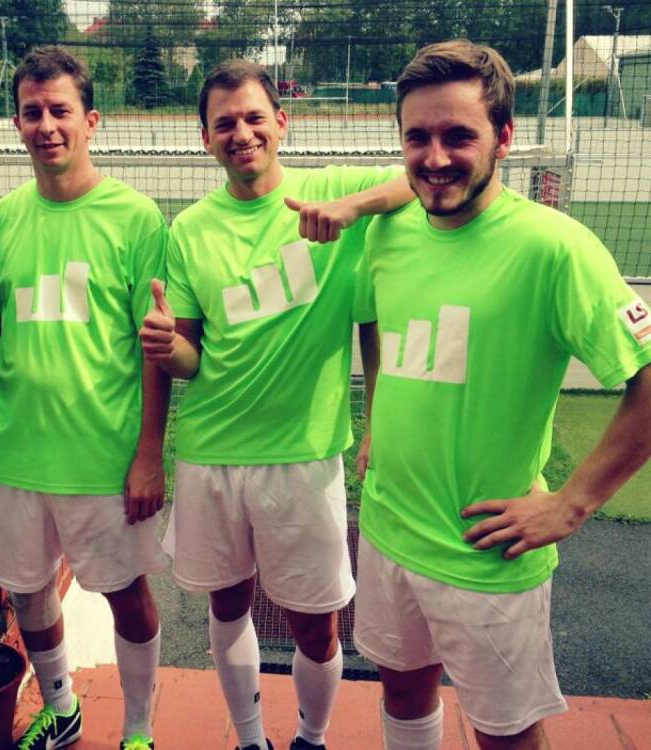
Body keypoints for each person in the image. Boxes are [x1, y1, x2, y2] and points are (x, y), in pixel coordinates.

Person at [351, 40, 651, 750]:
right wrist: (377, 423)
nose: (435, 157)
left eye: (459, 136)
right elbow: (382, 327)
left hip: (484, 554)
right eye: (417, 137)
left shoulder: (554, 248)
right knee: (403, 689)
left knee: (505, 734)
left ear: (504, 138)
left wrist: (571, 504)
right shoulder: (389, 235)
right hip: (386, 527)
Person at [139, 59, 414, 750]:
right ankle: (249, 739)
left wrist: (352, 209)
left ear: (282, 123)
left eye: (254, 118)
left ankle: (312, 738)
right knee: (227, 606)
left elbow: (419, 178)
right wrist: (168, 347)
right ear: (204, 138)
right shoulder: (189, 230)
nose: (241, 133)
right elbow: (193, 359)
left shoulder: (330, 191)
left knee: (316, 623)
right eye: (224, 123)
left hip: (304, 456)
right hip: (212, 453)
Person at [0, 47, 170, 750]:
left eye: (61, 110)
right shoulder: (1, 219)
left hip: (103, 458)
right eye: (32, 112)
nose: (46, 125)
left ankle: (139, 729)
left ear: (91, 121)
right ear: (17, 124)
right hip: (14, 456)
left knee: (127, 594)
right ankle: (62, 710)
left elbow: (155, 351)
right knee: (27, 592)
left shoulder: (136, 218)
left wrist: (149, 455)